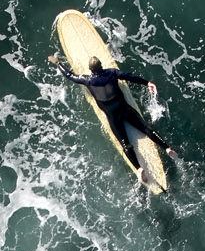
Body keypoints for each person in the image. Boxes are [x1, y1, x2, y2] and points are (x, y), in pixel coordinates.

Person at [48, 53, 176, 182]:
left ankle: (138, 168)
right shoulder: (112, 73)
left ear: (90, 69)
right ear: (101, 66)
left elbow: (70, 75)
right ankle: (167, 148)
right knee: (146, 129)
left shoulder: (87, 80)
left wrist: (58, 63)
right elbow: (129, 77)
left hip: (112, 115)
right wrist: (147, 83)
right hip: (124, 108)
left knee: (125, 143)